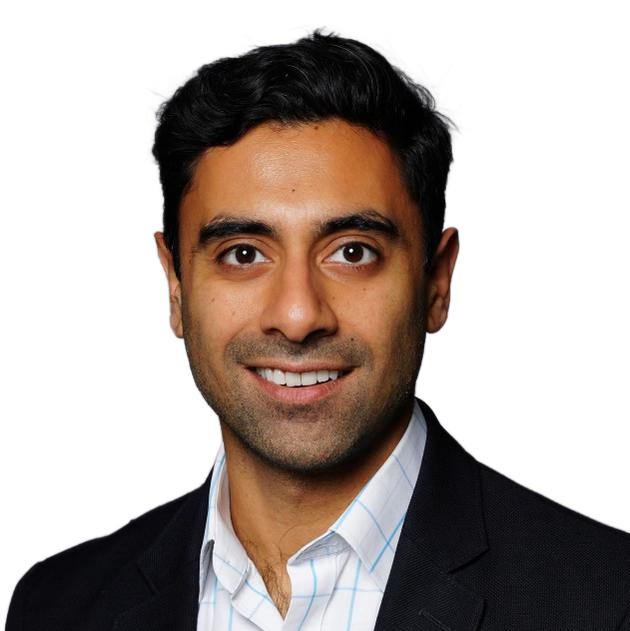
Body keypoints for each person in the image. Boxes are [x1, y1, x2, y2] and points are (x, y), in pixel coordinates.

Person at [4, 26, 630, 631]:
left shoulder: (607, 598)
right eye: (243, 254)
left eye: (352, 252)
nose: (299, 316)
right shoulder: (58, 607)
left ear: (436, 282)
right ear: (175, 285)